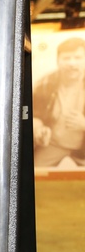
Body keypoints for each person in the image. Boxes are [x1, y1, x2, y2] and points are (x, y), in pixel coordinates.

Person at [32, 36, 85, 169]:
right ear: (58, 61)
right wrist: (38, 129)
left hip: (83, 147)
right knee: (34, 172)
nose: (72, 63)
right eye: (66, 58)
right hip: (53, 145)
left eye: (77, 57)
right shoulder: (44, 84)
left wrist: (83, 124)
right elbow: (33, 116)